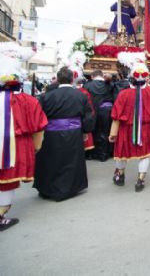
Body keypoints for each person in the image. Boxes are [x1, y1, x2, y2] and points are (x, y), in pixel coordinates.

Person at [0, 43, 48, 230]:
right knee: (7, 182)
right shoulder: (28, 101)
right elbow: (38, 127)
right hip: (16, 147)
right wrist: (36, 147)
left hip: (13, 145)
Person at [35, 66, 94, 201]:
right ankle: (69, 188)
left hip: (51, 134)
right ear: (72, 78)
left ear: (58, 79)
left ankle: (48, 188)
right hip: (73, 133)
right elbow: (88, 115)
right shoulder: (80, 95)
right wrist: (86, 130)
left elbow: (39, 116)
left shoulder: (46, 97)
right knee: (71, 160)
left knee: (51, 160)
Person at [108, 53, 150, 192]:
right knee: (145, 154)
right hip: (147, 128)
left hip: (126, 129)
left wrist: (113, 133)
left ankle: (120, 175)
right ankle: (140, 180)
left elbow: (116, 116)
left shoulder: (123, 94)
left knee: (121, 152)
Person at [84, 69, 114, 162]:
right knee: (107, 131)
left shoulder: (87, 85)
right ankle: (106, 153)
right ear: (101, 75)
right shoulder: (110, 84)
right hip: (108, 111)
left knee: (95, 132)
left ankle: (94, 153)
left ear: (92, 76)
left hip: (94, 111)